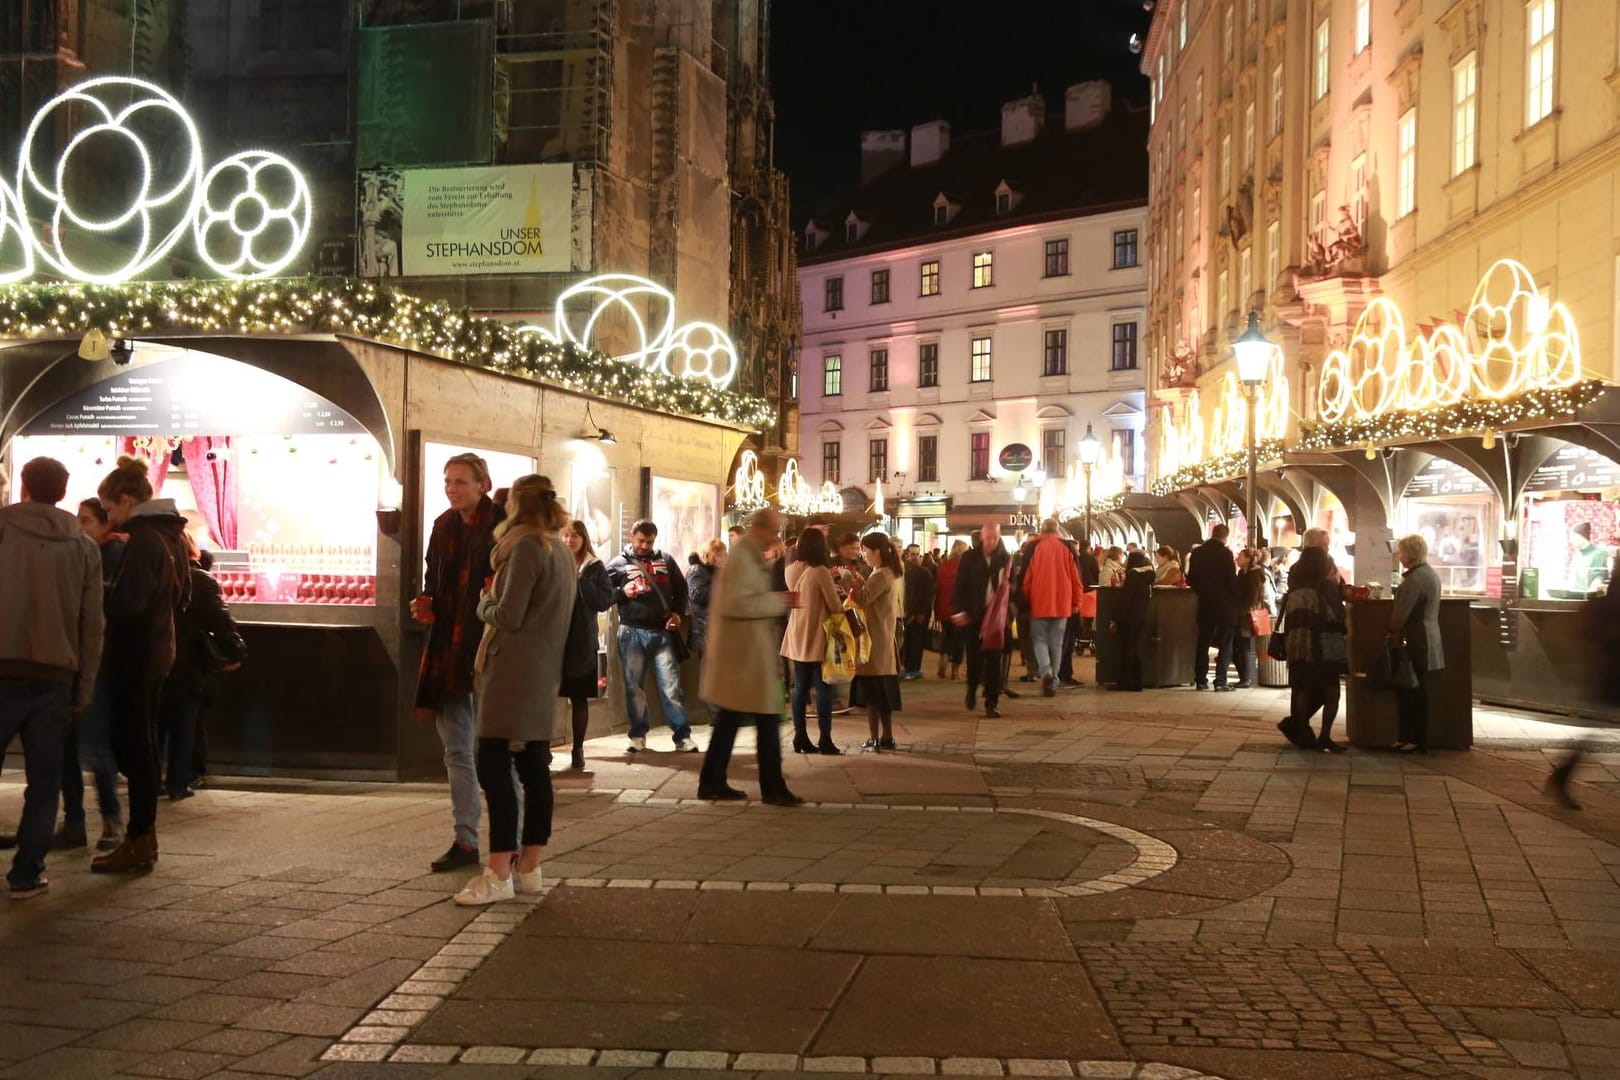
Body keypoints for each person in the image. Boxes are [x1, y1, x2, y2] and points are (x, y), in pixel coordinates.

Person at [453, 475, 576, 905]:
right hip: (540, 674)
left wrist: (483, 602)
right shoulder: (560, 549)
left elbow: (508, 614)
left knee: (493, 765)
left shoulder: (526, 547)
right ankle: (529, 868)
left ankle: (499, 871)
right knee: (533, 768)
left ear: (516, 508)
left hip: (513, 675)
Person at [0, 457, 103, 897]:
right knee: (44, 782)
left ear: (22, 486)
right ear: (63, 493)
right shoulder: (83, 547)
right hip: (55, 679)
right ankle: (27, 872)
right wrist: (84, 686)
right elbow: (91, 624)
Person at [93, 456, 191, 873]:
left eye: (111, 508)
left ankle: (138, 836)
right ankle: (143, 837)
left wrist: (101, 597)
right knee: (142, 744)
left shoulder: (145, 539)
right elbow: (182, 596)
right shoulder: (170, 535)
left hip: (136, 656)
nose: (109, 517)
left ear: (127, 500)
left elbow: (129, 604)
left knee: (136, 746)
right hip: (157, 653)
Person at [412, 452, 503, 874]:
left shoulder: (501, 524)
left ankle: (510, 840)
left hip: (487, 646)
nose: (451, 488)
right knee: (457, 751)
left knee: (497, 752)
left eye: (460, 482)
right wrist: (426, 602)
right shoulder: (443, 526)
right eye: (447, 481)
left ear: (482, 483)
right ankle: (465, 839)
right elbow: (433, 578)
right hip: (448, 645)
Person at [697, 508, 803, 805]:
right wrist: (779, 601)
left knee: (732, 720)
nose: (776, 537)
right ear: (759, 528)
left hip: (747, 656)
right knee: (764, 720)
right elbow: (736, 603)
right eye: (773, 531)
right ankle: (771, 787)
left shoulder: (749, 556)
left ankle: (714, 780)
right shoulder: (743, 557)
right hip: (743, 656)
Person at [53, 497, 125, 851]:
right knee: (71, 748)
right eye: (78, 520)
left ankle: (111, 821)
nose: (81, 527)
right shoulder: (79, 557)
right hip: (75, 663)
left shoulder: (112, 558)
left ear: (104, 523)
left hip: (98, 665)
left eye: (87, 520)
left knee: (95, 747)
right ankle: (75, 822)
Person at [157, 535, 245, 800]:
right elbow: (220, 620)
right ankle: (178, 782)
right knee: (185, 723)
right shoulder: (201, 581)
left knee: (155, 724)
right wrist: (235, 651)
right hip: (188, 663)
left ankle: (149, 779)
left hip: (154, 660)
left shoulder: (151, 573)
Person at [606, 520, 696, 753]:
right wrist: (622, 593)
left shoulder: (665, 560)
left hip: (662, 631)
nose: (645, 545)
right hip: (631, 631)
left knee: (671, 686)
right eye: (641, 541)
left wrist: (677, 613)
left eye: (649, 541)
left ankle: (682, 736)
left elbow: (681, 589)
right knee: (633, 686)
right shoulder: (617, 564)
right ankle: (637, 735)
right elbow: (603, 594)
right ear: (631, 536)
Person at [1277, 546, 1348, 751]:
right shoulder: (1326, 587)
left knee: (1303, 689)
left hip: (1297, 643)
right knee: (1331, 692)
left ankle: (1303, 732)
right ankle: (1325, 736)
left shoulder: (1295, 587)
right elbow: (1337, 617)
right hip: (1322, 645)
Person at [782, 528, 843, 755]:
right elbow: (834, 606)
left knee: (799, 685)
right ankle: (825, 738)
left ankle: (800, 736)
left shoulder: (791, 569)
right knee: (823, 686)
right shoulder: (820, 571)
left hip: (797, 631)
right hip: (817, 632)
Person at [559, 519, 614, 772]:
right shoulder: (554, 561)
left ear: (584, 539)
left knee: (578, 697)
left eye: (575, 536)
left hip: (581, 640)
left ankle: (578, 748)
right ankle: (540, 747)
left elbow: (604, 601)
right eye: (566, 535)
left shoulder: (594, 567)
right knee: (545, 695)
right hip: (555, 638)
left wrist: (582, 580)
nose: (570, 541)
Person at [844, 533, 903, 749]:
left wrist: (847, 578)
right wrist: (860, 581)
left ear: (877, 552)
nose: (863, 555)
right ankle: (886, 737)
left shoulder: (881, 575)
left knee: (873, 696)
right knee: (883, 696)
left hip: (875, 643)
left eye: (866, 551)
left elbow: (863, 599)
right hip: (883, 641)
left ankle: (874, 738)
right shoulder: (886, 573)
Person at [1389, 533, 1443, 753]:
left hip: (1416, 639)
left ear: (1409, 554)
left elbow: (1400, 614)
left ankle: (1414, 738)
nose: (1399, 556)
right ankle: (1413, 737)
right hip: (1428, 637)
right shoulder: (1428, 574)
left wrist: (1391, 629)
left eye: (1401, 552)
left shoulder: (1415, 579)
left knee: (1412, 690)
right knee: (1418, 689)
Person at [952, 523, 1011, 719]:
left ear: (998, 537)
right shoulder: (970, 558)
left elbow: (1012, 587)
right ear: (981, 538)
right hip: (973, 614)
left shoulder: (1004, 558)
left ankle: (992, 702)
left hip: (995, 616)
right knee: (974, 657)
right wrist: (959, 610)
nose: (991, 542)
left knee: (994, 659)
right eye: (987, 538)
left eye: (994, 538)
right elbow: (960, 585)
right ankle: (971, 688)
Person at [1020, 519, 1084, 697]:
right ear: (1057, 530)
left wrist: (1024, 598)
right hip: (1062, 603)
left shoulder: (1033, 547)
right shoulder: (1067, 547)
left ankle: (1046, 672)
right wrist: (1076, 602)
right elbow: (1076, 578)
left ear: (1042, 529)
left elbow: (1027, 577)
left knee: (1039, 639)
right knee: (1057, 643)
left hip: (1039, 601)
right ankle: (1054, 680)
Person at [1187, 524, 1239, 691]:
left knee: (1203, 643)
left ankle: (1201, 680)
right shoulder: (1225, 553)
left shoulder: (1198, 553)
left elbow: (1191, 579)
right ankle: (1220, 681)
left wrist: (1203, 592)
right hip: (1224, 606)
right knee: (1225, 643)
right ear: (1226, 536)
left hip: (1205, 604)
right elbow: (1231, 580)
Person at [685, 538, 726, 721]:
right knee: (709, 669)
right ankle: (715, 713)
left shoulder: (715, 572)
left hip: (718, 626)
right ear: (709, 554)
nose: (722, 557)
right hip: (704, 626)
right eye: (719, 554)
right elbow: (696, 595)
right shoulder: (697, 571)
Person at [1110, 551, 1153, 691]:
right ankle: (1137, 682)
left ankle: (1124, 682)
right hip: (1142, 616)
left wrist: (1115, 618)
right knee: (1137, 649)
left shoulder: (1133, 575)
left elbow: (1126, 599)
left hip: (1129, 617)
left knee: (1127, 650)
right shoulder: (1148, 576)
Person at [1231, 549, 1273, 690]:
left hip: (1247, 615)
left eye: (1240, 556)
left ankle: (1246, 678)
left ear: (1248, 559)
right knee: (1239, 646)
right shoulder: (1243, 573)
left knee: (1244, 646)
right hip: (1240, 614)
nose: (1237, 558)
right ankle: (1244, 677)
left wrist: (1242, 609)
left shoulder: (1253, 574)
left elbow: (1253, 596)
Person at [900, 546, 935, 680]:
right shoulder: (904, 571)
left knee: (916, 642)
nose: (915, 557)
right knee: (908, 642)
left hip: (920, 614)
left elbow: (928, 594)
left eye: (917, 554)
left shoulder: (924, 572)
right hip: (907, 613)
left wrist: (920, 613)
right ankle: (909, 667)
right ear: (907, 555)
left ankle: (914, 669)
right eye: (912, 554)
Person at [934, 540, 966, 680]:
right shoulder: (964, 566)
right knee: (959, 639)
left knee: (947, 637)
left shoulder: (943, 566)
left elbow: (938, 588)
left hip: (943, 608)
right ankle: (955, 670)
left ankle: (943, 663)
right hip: (959, 608)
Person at [1570, 522, 1610, 593]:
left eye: (1573, 537)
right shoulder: (1576, 555)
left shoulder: (1599, 554)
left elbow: (1599, 578)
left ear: (1582, 536)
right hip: (1573, 598)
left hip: (1589, 600)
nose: (1571, 540)